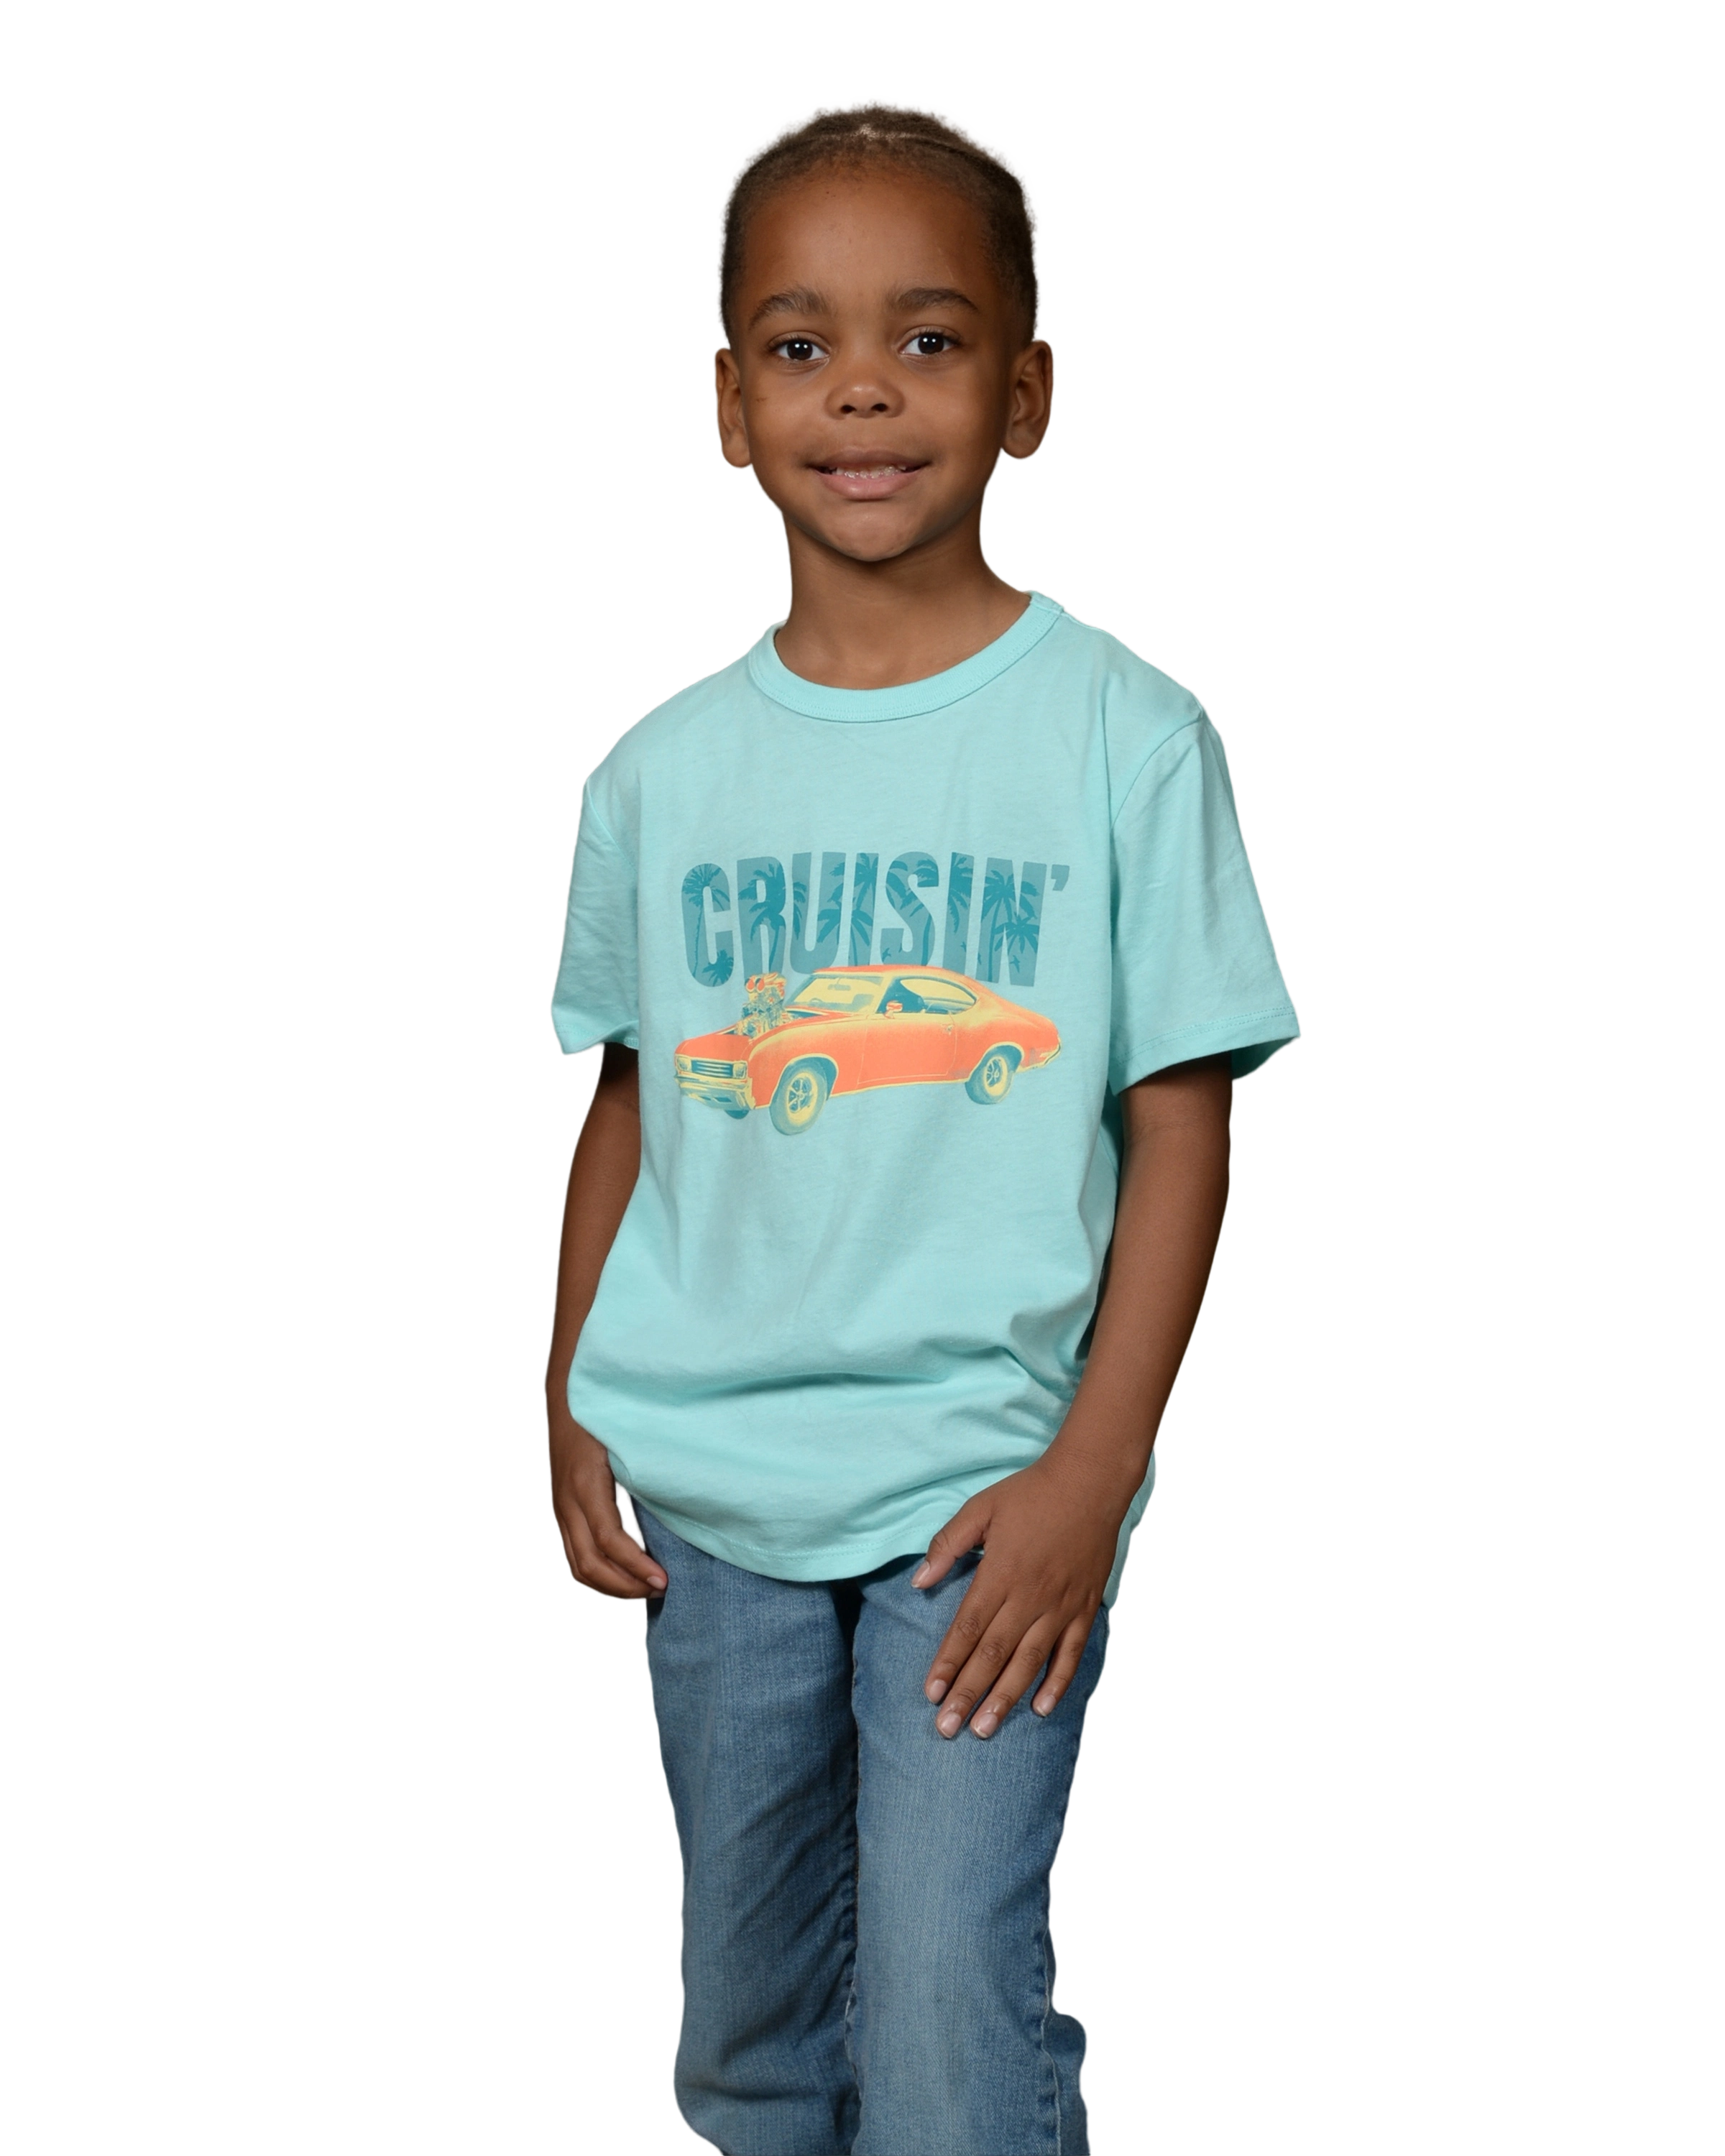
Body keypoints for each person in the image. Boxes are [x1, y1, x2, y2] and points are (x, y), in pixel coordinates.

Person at [545, 94, 1301, 2156]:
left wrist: (1094, 1468)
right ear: (730, 405)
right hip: (709, 1491)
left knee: (954, 2024)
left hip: (986, 1490)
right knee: (752, 2027)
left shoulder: (1125, 737)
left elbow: (1181, 1119)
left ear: (1030, 394)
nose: (864, 387)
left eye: (931, 338)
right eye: (801, 344)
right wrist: (571, 1391)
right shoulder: (657, 776)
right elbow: (634, 1096)